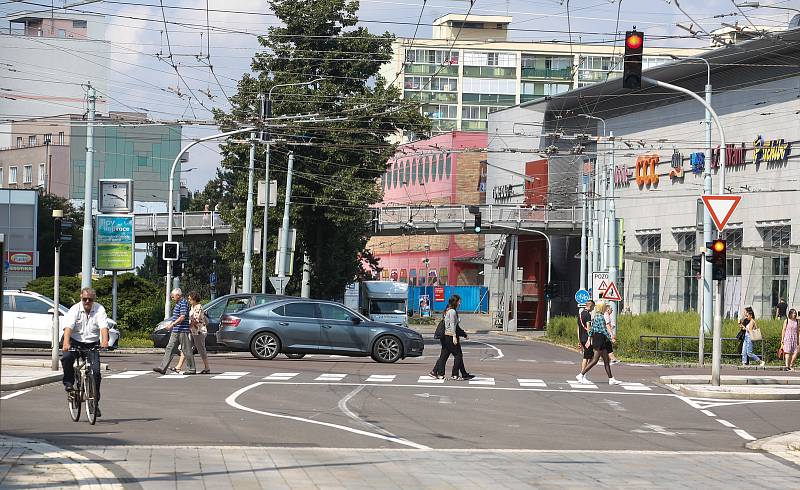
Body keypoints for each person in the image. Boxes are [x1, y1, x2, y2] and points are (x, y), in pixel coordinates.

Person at [61, 287, 109, 417]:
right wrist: (66, 343)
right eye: (84, 299)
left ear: (94, 299)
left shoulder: (99, 309)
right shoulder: (75, 309)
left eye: (90, 299)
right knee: (67, 358)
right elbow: (68, 327)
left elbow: (104, 327)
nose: (87, 301)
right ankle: (69, 385)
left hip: (92, 343)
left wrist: (105, 341)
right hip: (75, 341)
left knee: (96, 373)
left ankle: (95, 404)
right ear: (81, 298)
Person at [429, 294, 474, 380]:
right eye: (459, 301)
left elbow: (454, 326)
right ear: (455, 302)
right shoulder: (452, 311)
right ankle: (455, 374)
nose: (460, 303)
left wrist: (463, 334)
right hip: (450, 336)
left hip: (446, 336)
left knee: (444, 356)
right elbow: (453, 325)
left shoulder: (447, 310)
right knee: (458, 355)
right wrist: (454, 336)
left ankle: (437, 373)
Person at [576, 302, 622, 385]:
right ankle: (581, 374)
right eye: (604, 307)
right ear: (602, 308)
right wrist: (611, 338)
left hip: (598, 339)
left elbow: (592, 329)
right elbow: (603, 330)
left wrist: (589, 338)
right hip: (600, 340)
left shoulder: (596, 316)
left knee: (606, 360)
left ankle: (611, 379)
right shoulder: (600, 317)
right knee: (595, 360)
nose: (605, 308)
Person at [153, 288, 196, 375]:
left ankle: (191, 369)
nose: (172, 298)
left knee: (186, 349)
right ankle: (162, 368)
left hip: (182, 330)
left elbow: (182, 317)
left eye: (173, 296)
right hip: (176, 330)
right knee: (170, 348)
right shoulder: (178, 303)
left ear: (178, 295)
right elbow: (177, 317)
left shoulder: (183, 303)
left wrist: (173, 324)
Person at [173, 291, 211, 374]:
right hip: (192, 331)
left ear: (194, 299)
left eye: (190, 299)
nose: (189, 300)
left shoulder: (198, 307)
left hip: (198, 332)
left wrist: (188, 326)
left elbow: (196, 320)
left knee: (201, 349)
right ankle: (178, 367)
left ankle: (207, 367)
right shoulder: (193, 307)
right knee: (186, 348)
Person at [577, 300, 594, 372]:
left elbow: (577, 328)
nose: (593, 309)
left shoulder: (580, 314)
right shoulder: (588, 315)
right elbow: (588, 327)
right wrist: (589, 339)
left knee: (588, 356)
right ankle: (583, 374)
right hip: (586, 339)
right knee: (588, 357)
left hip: (581, 338)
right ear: (590, 306)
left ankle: (583, 374)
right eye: (593, 307)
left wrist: (579, 340)